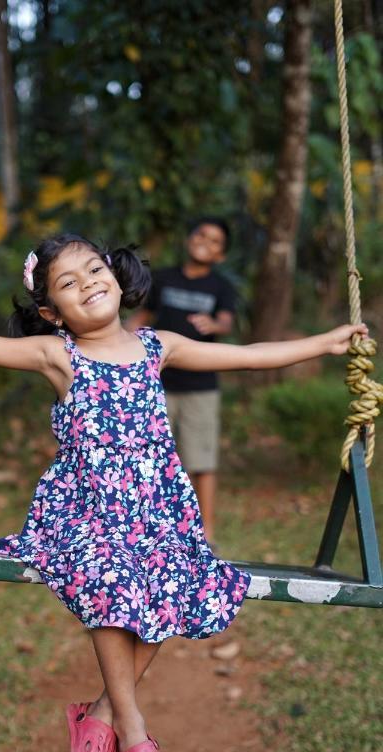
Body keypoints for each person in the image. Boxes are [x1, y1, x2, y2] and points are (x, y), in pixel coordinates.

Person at [0, 234, 366, 752]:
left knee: (183, 580)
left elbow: (250, 355)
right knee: (111, 577)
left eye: (94, 270)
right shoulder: (58, 355)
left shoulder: (159, 346)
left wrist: (327, 342)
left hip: (157, 510)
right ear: (52, 314)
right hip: (83, 509)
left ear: (119, 279)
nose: (88, 284)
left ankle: (99, 714)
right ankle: (133, 730)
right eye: (67, 284)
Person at [127, 217, 237, 544]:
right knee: (148, 458)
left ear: (221, 255)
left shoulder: (221, 286)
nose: (206, 241)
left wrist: (213, 324)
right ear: (189, 239)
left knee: (201, 460)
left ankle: (207, 532)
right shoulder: (162, 278)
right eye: (201, 234)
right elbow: (142, 318)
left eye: (215, 240)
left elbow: (227, 322)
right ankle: (146, 527)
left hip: (200, 386)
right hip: (155, 384)